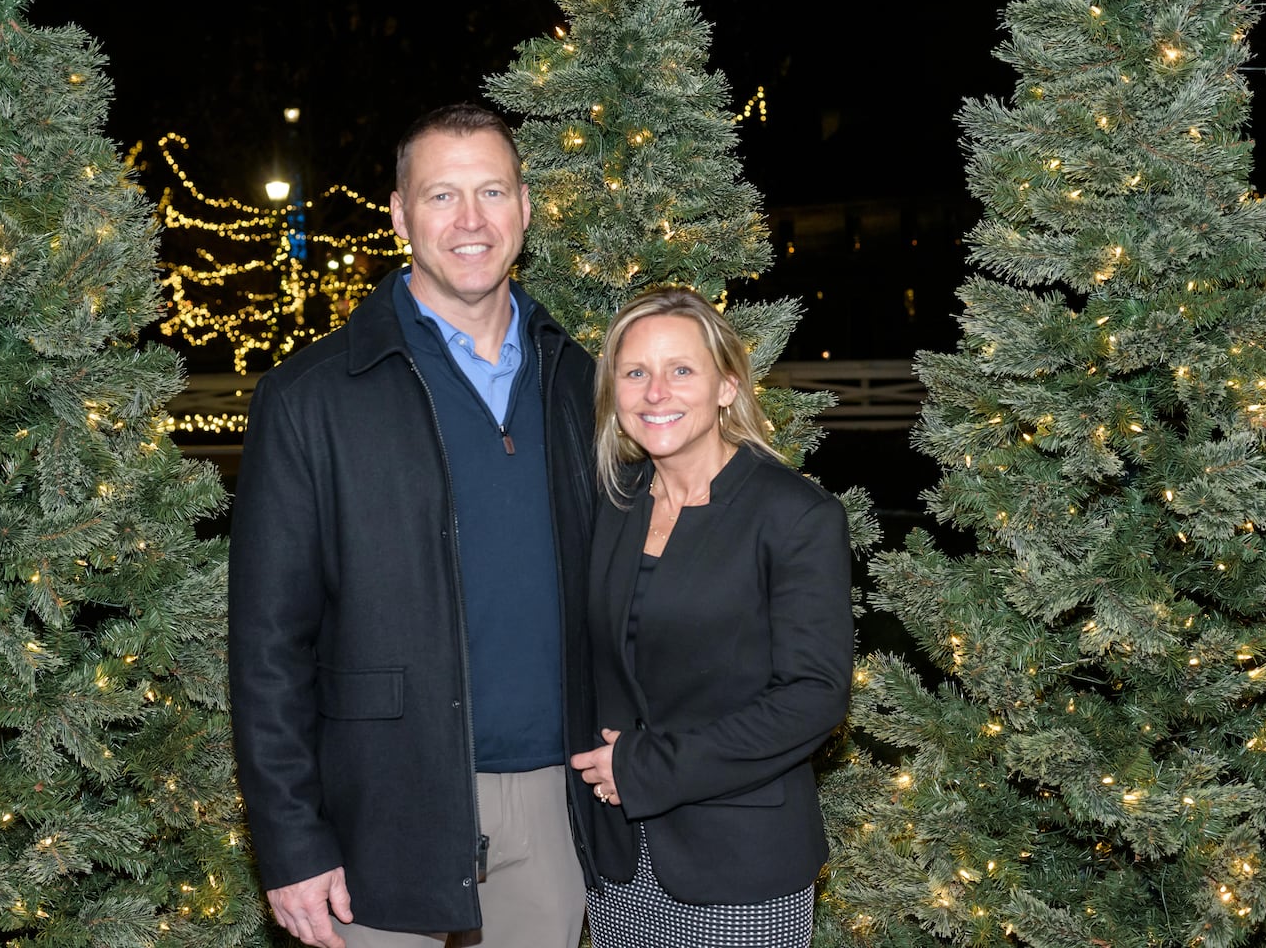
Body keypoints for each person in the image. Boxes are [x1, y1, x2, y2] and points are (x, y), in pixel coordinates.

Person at [227, 102, 599, 948]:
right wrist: (289, 842)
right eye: (441, 196)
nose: (471, 221)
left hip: (555, 801)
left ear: (525, 207)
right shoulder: (313, 395)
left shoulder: (582, 381)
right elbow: (267, 645)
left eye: (492, 192)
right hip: (383, 806)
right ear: (399, 214)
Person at [568, 285, 853, 947]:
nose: (655, 392)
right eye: (635, 372)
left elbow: (813, 698)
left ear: (726, 386)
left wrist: (646, 768)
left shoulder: (795, 516)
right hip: (619, 868)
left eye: (681, 370)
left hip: (741, 867)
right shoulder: (613, 505)